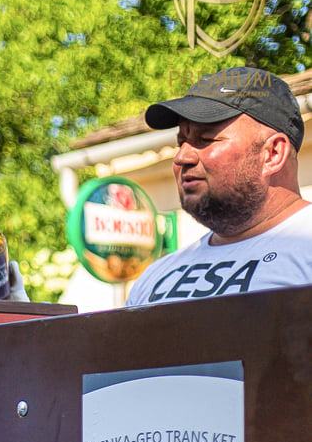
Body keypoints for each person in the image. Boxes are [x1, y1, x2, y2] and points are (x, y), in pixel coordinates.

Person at [126, 66, 311, 306]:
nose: (182, 157)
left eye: (206, 140)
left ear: (273, 154)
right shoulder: (154, 279)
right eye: (181, 142)